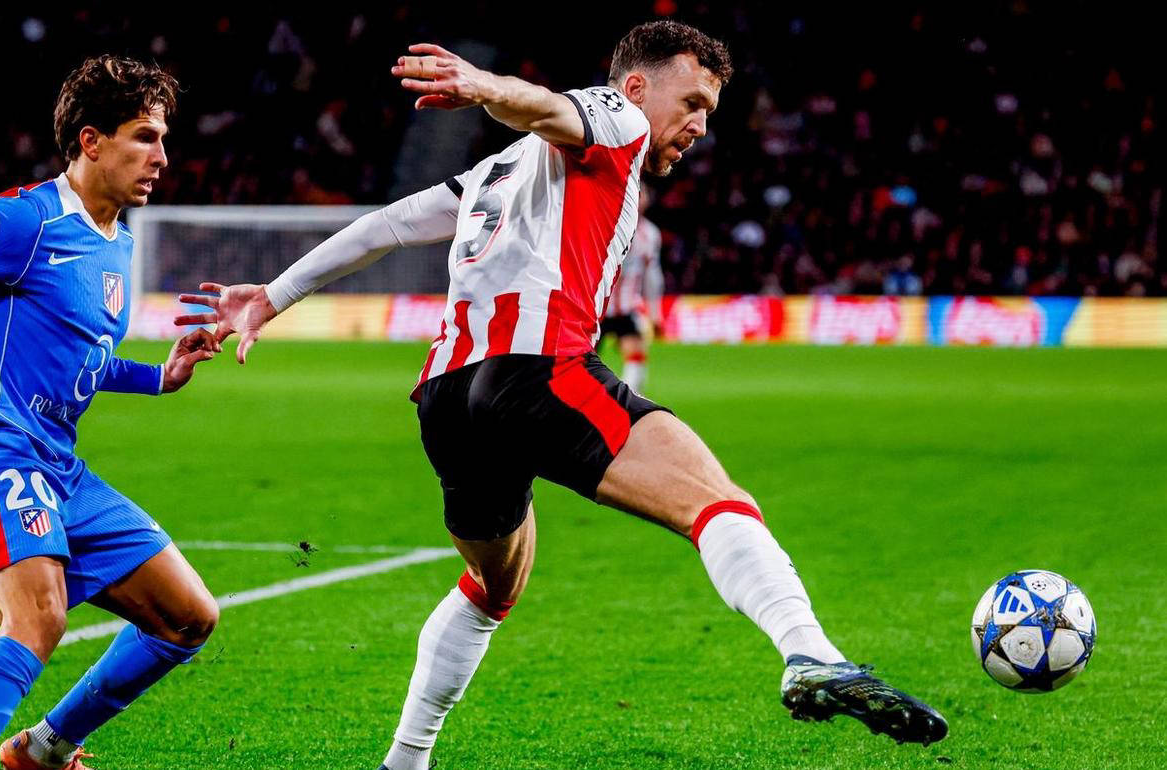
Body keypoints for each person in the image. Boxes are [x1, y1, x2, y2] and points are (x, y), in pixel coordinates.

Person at [178, 21, 948, 769]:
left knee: (493, 587)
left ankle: (405, 761)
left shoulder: (499, 169)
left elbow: (390, 224)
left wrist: (273, 295)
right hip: (535, 368)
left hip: (448, 397)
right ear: (637, 87)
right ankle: (810, 654)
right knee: (717, 502)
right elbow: (548, 105)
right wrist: (484, 85)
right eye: (692, 103)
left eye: (710, 112)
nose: (700, 126)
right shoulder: (618, 118)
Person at [0, 55, 221, 770]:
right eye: (144, 137)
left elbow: (82, 360)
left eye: (163, 139)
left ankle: (44, 750)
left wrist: (160, 377)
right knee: (38, 616)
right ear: (91, 141)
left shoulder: (118, 239)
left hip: (58, 466)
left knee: (188, 617)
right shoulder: (23, 220)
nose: (162, 157)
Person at [599, 187, 664, 392]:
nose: (639, 199)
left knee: (636, 352)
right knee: (580, 359)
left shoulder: (650, 234)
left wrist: (655, 313)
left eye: (643, 194)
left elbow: (652, 276)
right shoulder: (605, 222)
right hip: (597, 308)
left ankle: (627, 401)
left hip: (626, 308)